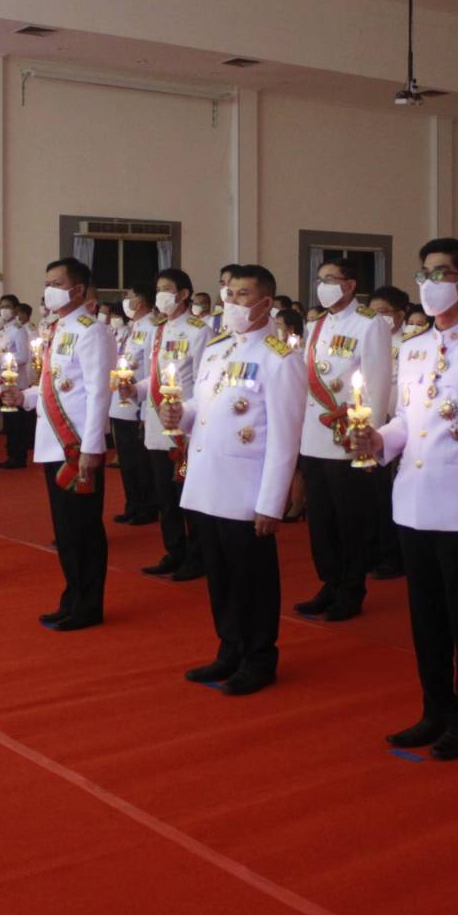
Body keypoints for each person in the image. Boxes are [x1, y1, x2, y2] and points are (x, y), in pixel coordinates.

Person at [352, 238, 458, 761]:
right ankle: (433, 709)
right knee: (425, 619)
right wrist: (379, 440)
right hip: (415, 502)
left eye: (441, 273)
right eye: (424, 273)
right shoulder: (415, 347)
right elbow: (411, 418)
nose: (428, 284)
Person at [161, 264, 305, 694]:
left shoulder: (280, 359)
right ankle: (229, 649)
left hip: (246, 490)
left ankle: (259, 657)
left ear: (266, 303)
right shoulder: (217, 349)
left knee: (252, 579)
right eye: (229, 293)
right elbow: (203, 410)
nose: (233, 302)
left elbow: (285, 437)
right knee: (220, 577)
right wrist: (180, 415)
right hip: (207, 483)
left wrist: (271, 502)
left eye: (243, 295)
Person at [3, 258, 115, 629]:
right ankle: (72, 596)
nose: (48, 288)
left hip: (77, 445)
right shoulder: (56, 329)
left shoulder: (91, 331)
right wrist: (25, 398)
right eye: (47, 281)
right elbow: (56, 386)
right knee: (65, 529)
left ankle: (88, 604)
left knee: (83, 528)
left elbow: (99, 393)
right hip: (53, 440)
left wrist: (92, 448)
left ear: (78, 290)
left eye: (57, 282)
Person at [292, 257, 393, 622]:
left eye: (330, 279)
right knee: (320, 518)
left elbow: (378, 385)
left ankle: (351, 588)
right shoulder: (316, 324)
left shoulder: (371, 325)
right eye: (319, 279)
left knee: (350, 518)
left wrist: (369, 436)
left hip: (348, 435)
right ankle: (329, 582)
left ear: (350, 285)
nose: (323, 286)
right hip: (313, 434)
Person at [126, 269, 213, 580]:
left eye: (167, 288)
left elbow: (205, 380)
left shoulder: (198, 330)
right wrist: (133, 389)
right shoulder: (157, 329)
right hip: (155, 422)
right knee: (165, 494)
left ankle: (197, 555)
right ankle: (173, 550)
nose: (160, 294)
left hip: (183, 427)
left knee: (186, 493)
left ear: (184, 294)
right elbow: (155, 375)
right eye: (158, 288)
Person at [365, 284, 410, 580]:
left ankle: (395, 554)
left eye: (384, 312)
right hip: (377, 426)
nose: (378, 318)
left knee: (394, 493)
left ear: (400, 315)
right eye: (373, 312)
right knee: (375, 495)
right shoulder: (369, 338)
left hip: (401, 425)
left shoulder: (410, 342)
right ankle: (377, 549)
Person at [111, 282, 158, 526]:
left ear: (139, 301)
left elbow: (152, 367)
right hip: (121, 399)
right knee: (127, 460)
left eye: (129, 296)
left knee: (139, 459)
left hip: (136, 401)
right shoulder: (133, 327)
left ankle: (147, 505)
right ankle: (133, 503)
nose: (126, 301)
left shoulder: (151, 326)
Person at [0, 293, 33, 470]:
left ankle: (18, 456)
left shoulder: (18, 330)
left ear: (16, 309)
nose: (4, 310)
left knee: (17, 422)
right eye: (2, 306)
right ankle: (11, 453)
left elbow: (24, 356)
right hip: (4, 378)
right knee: (9, 421)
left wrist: (1, 360)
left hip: (17, 381)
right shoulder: (3, 330)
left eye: (8, 306)